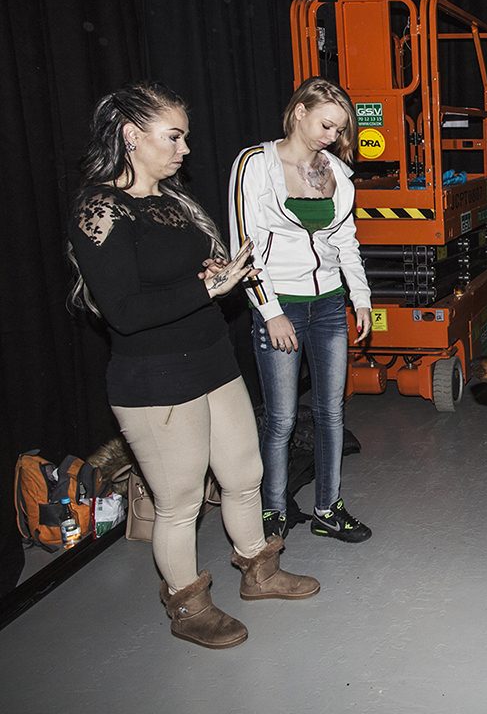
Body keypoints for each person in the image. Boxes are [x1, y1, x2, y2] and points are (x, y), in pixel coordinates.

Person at [67, 81, 319, 650]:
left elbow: (186, 276)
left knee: (244, 475)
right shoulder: (99, 207)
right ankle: (188, 606)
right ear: (131, 136)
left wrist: (218, 273)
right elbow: (125, 311)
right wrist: (209, 287)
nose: (185, 150)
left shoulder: (174, 202)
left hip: (212, 362)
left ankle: (259, 571)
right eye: (174, 137)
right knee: (179, 503)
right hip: (155, 378)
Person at [228, 77, 372, 543]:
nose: (333, 136)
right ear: (299, 112)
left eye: (340, 129)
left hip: (328, 304)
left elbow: (345, 239)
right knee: (282, 419)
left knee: (332, 412)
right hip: (280, 304)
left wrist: (361, 297)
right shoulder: (255, 164)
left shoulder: (337, 172)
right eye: (326, 125)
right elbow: (244, 246)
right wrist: (270, 311)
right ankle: (271, 510)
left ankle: (329, 509)